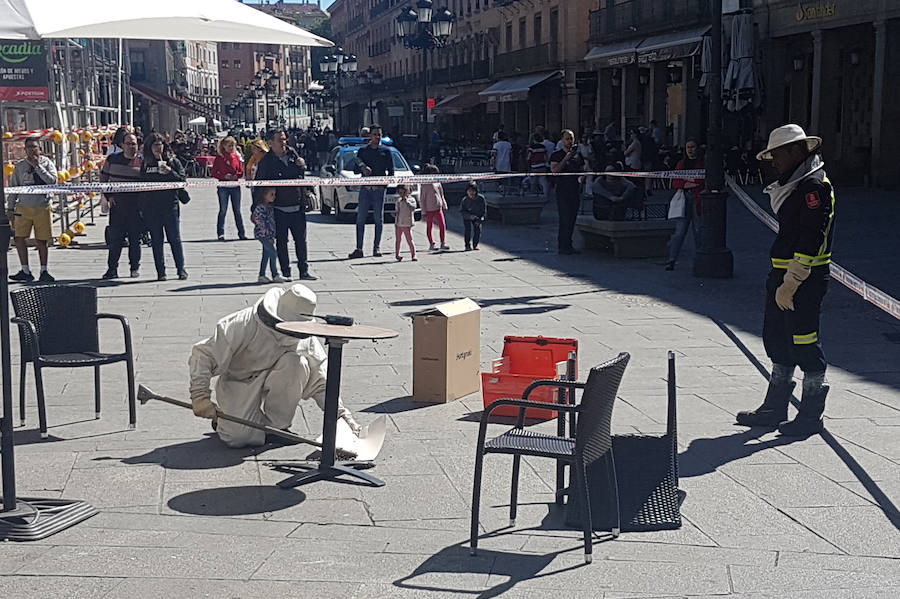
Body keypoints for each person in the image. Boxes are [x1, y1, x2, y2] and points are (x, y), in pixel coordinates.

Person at [736, 124, 835, 437]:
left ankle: (811, 413)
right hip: (781, 274)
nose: (773, 162)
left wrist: (793, 280)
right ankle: (775, 406)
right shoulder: (795, 182)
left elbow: (812, 236)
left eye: (777, 155)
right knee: (777, 337)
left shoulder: (813, 187)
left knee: (804, 340)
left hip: (804, 277)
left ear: (796, 151)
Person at [188, 284, 361, 448]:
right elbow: (203, 354)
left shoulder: (305, 337)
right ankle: (225, 422)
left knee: (296, 364)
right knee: (238, 438)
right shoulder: (241, 324)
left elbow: (321, 379)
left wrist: (342, 416)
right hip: (240, 381)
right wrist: (199, 394)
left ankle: (276, 427)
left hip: (281, 375)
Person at [255, 129, 316, 281]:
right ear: (270, 143)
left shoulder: (292, 154)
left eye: (284, 139)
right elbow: (258, 186)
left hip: (297, 205)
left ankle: (304, 271)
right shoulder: (266, 162)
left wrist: (302, 165)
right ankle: (286, 272)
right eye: (280, 139)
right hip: (278, 208)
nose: (284, 142)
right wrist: (255, 209)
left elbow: (300, 176)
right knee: (282, 242)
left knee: (301, 241)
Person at [7, 138, 59, 282]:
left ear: (40, 149)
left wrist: (38, 167)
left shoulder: (47, 163)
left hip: (42, 206)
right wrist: (10, 207)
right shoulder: (20, 166)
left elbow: (53, 181)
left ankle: (44, 270)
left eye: (34, 147)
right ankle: (25, 270)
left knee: (41, 240)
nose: (32, 150)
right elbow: (14, 188)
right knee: (19, 238)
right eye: (29, 147)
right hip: (24, 207)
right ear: (25, 150)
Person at [139, 133, 187, 281]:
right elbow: (141, 183)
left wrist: (170, 172)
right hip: (152, 207)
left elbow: (182, 180)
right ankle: (161, 271)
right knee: (156, 239)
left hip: (170, 204)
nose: (157, 148)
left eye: (160, 144)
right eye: (154, 145)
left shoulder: (172, 161)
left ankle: (181, 269)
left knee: (174, 238)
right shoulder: (146, 163)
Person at [101, 133, 144, 279]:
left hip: (135, 207)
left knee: (135, 240)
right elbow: (103, 178)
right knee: (115, 240)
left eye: (134, 144)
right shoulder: (113, 159)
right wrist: (108, 196)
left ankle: (134, 268)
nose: (131, 146)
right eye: (128, 143)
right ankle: (112, 269)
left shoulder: (142, 161)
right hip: (117, 206)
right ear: (122, 145)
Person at [349, 125, 394, 259]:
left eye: (379, 134)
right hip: (365, 189)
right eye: (374, 134)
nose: (377, 137)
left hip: (379, 190)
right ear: (370, 136)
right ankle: (359, 248)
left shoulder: (386, 151)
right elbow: (355, 169)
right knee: (360, 219)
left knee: (378, 219)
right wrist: (362, 167)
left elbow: (391, 171)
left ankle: (377, 247)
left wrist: (385, 184)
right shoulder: (363, 151)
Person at [665, 138, 705, 271]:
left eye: (693, 147)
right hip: (685, 199)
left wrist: (689, 182)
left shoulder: (703, 163)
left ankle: (700, 260)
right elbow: (677, 182)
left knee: (698, 231)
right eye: (688, 147)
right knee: (680, 232)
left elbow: (703, 181)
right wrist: (689, 183)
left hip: (698, 199)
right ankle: (671, 260)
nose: (690, 150)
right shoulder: (681, 163)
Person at [550, 129, 587, 255]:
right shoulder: (556, 155)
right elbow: (555, 171)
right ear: (562, 140)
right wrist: (566, 158)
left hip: (574, 190)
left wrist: (582, 178)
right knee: (564, 218)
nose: (570, 141)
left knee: (572, 219)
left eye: (571, 138)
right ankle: (562, 245)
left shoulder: (578, 156)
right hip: (562, 190)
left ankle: (569, 244)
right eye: (567, 139)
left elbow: (582, 170)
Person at [211, 136, 246, 242]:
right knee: (223, 210)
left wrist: (237, 176)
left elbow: (241, 170)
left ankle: (242, 233)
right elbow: (213, 172)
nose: (231, 147)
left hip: (235, 186)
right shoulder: (219, 158)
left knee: (237, 211)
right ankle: (220, 233)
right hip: (223, 187)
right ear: (224, 146)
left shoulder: (236, 157)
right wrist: (223, 176)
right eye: (229, 145)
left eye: (233, 145)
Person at [250, 187, 285, 283]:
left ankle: (262, 275)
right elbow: (260, 222)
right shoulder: (260, 207)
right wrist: (267, 235)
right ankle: (275, 274)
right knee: (273, 253)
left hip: (268, 234)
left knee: (266, 254)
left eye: (274, 194)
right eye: (271, 194)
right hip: (262, 234)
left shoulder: (269, 207)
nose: (274, 197)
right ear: (264, 195)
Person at [419, 163, 449, 251]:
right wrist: (423, 211)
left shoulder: (438, 183)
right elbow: (422, 199)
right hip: (429, 209)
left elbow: (441, 194)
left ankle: (443, 242)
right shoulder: (424, 185)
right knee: (429, 226)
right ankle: (431, 243)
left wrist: (444, 204)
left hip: (438, 208)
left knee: (442, 225)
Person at [394, 184, 417, 262]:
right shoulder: (398, 201)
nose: (402, 195)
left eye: (403, 192)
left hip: (407, 223)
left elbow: (413, 208)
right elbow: (397, 211)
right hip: (399, 222)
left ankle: (413, 254)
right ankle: (397, 254)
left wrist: (406, 201)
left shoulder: (411, 200)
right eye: (400, 193)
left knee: (409, 239)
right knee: (398, 239)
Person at [460, 181, 486, 251]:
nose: (471, 193)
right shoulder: (465, 200)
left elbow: (483, 211)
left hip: (477, 216)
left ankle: (475, 244)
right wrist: (469, 216)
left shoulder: (481, 199)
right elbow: (462, 211)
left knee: (477, 230)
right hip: (468, 216)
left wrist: (480, 219)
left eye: (473, 191)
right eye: (469, 191)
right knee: (467, 230)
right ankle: (467, 245)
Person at [527, 132, 550, 199]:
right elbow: (546, 157)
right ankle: (546, 195)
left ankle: (534, 196)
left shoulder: (531, 148)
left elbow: (529, 157)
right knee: (543, 181)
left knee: (533, 182)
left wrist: (528, 164)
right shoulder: (543, 147)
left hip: (534, 166)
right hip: (542, 165)